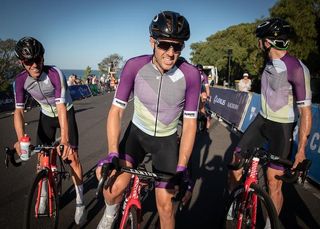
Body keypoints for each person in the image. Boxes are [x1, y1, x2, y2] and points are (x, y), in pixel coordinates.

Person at [95, 11, 201, 229]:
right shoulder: (135, 67)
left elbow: (190, 124)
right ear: (152, 41)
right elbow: (116, 111)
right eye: (164, 45)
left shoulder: (190, 75)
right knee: (112, 189)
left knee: (166, 207)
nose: (171, 53)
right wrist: (113, 152)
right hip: (137, 135)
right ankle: (111, 212)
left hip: (166, 142)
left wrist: (182, 167)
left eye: (178, 46)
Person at [229, 18, 312, 219]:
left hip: (282, 128)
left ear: (267, 42)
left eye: (260, 39)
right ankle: (233, 203)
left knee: (274, 182)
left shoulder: (297, 68)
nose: (258, 43)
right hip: (261, 121)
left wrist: (301, 151)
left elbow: (306, 113)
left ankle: (269, 224)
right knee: (236, 160)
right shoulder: (267, 60)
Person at [13, 37, 87, 225]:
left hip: (65, 112)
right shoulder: (20, 80)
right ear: (22, 62)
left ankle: (80, 202)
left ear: (43, 58)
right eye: (29, 61)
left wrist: (64, 139)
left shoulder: (54, 74)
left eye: (38, 59)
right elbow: (19, 112)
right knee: (41, 157)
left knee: (72, 158)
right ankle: (44, 192)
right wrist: (20, 139)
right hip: (46, 115)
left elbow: (61, 107)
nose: (35, 65)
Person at [196, 64, 212, 130]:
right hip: (194, 91)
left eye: (200, 70)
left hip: (201, 90)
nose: (199, 72)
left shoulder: (204, 76)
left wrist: (208, 96)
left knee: (202, 108)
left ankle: (207, 121)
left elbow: (207, 87)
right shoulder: (193, 74)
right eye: (198, 70)